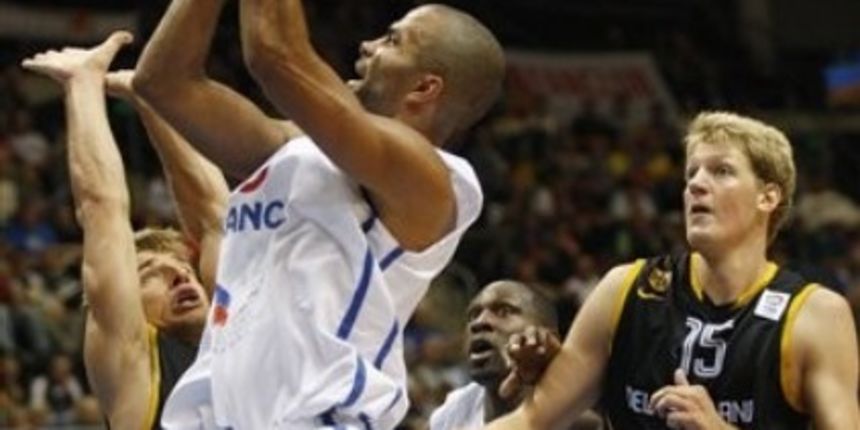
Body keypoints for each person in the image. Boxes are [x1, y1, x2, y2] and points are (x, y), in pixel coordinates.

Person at [133, 0, 505, 428]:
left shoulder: (432, 180)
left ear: (424, 88)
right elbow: (163, 82)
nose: (367, 45)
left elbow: (275, 54)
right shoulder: (297, 151)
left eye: (392, 40)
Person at [487, 112, 860, 429]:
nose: (696, 184)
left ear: (767, 197)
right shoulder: (625, 289)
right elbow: (529, 422)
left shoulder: (814, 315)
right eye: (691, 173)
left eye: (722, 171)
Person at [21, 32, 229, 429]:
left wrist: (149, 100)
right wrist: (82, 83)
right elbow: (103, 211)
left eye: (181, 266)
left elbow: (215, 217)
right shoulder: (136, 367)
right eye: (151, 272)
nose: (179, 273)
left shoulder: (239, 334)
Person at [430, 280, 602, 430]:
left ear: (550, 337)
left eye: (504, 311)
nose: (479, 323)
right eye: (473, 315)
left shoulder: (586, 413)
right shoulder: (452, 411)